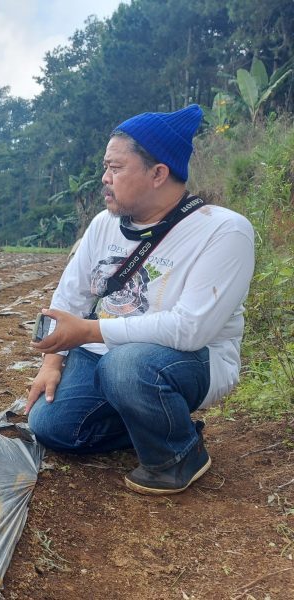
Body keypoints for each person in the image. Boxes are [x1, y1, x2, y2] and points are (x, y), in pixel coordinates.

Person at [25, 105, 255, 495]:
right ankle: (146, 419)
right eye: (105, 167)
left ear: (158, 173)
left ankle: (178, 453)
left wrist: (89, 330)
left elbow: (191, 329)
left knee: (126, 366)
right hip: (106, 353)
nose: (105, 178)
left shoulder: (223, 230)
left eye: (115, 168)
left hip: (190, 360)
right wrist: (51, 362)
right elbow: (71, 295)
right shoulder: (104, 224)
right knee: (52, 426)